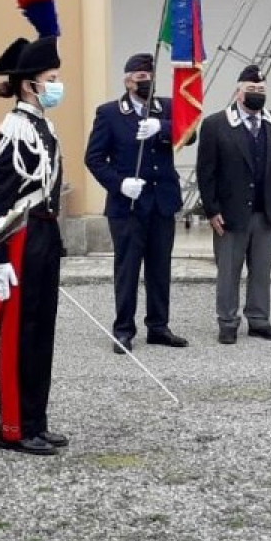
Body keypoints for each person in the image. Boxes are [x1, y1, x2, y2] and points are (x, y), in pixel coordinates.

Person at [0, 0, 72, 456]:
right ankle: (14, 428)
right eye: (51, 77)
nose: (57, 84)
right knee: (18, 337)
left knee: (42, 332)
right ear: (29, 84)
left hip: (42, 237)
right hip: (17, 240)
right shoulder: (15, 128)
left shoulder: (43, 126)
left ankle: (37, 419)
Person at [86, 53, 187, 352]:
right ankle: (123, 329)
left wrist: (163, 127)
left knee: (160, 268)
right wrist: (120, 184)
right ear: (128, 80)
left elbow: (189, 134)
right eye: (142, 78)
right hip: (128, 206)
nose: (148, 82)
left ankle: (158, 326)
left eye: (151, 77)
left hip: (161, 202)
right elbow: (94, 159)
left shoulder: (166, 107)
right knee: (128, 268)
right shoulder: (109, 113)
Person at [195, 65, 271, 344]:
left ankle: (259, 319)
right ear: (238, 93)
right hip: (230, 214)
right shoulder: (216, 124)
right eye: (251, 90)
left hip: (267, 212)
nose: (256, 94)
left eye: (261, 90)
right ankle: (227, 321)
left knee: (262, 270)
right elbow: (207, 171)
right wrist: (212, 210)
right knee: (229, 271)